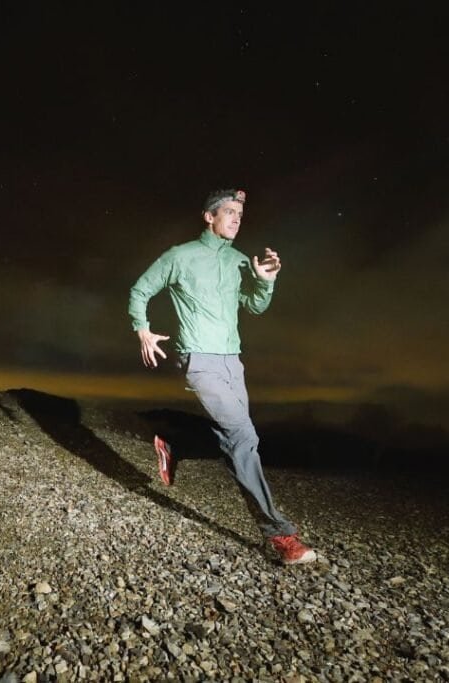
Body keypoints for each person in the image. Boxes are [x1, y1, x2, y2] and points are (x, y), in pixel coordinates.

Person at [128, 188, 317, 565]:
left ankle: (175, 442)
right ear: (208, 216)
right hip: (198, 359)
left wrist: (264, 280)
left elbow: (254, 306)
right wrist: (143, 329)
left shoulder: (238, 260)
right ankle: (280, 535)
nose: (236, 218)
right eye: (229, 211)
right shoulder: (179, 256)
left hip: (233, 361)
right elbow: (140, 290)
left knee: (233, 442)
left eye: (240, 214)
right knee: (244, 436)